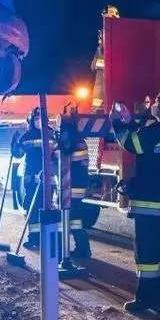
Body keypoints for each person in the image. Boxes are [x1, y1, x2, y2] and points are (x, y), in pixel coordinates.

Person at [111, 86, 160, 313]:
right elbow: (147, 140)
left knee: (146, 255)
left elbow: (133, 143)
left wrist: (117, 123)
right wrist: (133, 121)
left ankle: (146, 298)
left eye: (156, 103)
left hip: (149, 205)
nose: (152, 106)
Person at [11, 107, 52, 251]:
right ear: (31, 120)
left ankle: (46, 238)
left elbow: (58, 156)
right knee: (31, 208)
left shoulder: (52, 135)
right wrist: (14, 143)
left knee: (46, 208)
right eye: (36, 119)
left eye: (41, 118)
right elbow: (18, 154)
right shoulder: (27, 136)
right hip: (31, 179)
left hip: (47, 179)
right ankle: (34, 239)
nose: (39, 121)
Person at [59, 109, 92, 259]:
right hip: (78, 182)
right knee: (74, 217)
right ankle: (81, 248)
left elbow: (64, 153)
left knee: (73, 218)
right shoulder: (77, 136)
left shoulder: (69, 136)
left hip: (72, 184)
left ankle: (82, 249)